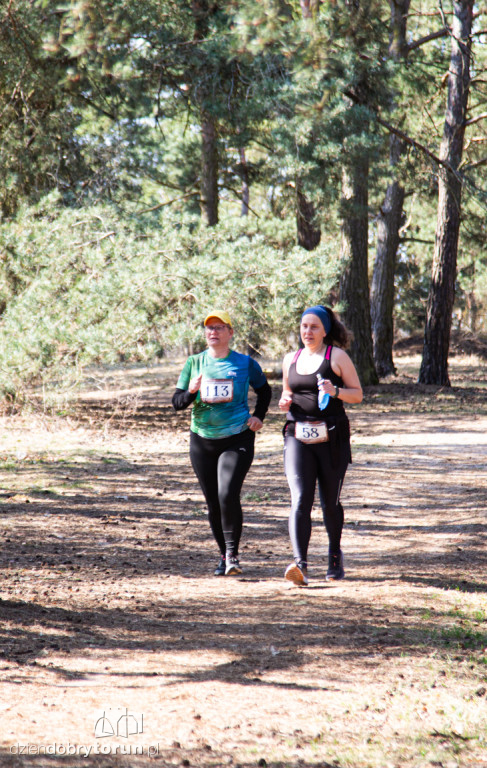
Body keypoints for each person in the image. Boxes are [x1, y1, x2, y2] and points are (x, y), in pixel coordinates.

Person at [172, 311, 272, 576]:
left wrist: (258, 417)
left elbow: (265, 390)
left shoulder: (244, 363)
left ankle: (232, 555)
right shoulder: (194, 363)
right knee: (213, 501)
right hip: (202, 440)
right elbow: (177, 403)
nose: (212, 332)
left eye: (219, 327)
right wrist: (191, 391)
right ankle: (222, 556)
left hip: (237, 436)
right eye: (208, 328)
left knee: (227, 493)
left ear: (230, 332)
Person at [278, 305, 363, 586]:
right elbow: (288, 391)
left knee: (330, 502)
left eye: (314, 327)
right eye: (304, 326)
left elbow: (357, 395)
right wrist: (284, 401)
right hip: (297, 435)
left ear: (325, 330)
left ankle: (334, 555)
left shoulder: (336, 357)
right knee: (300, 498)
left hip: (332, 438)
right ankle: (300, 564)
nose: (308, 332)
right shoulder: (290, 358)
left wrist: (336, 391)